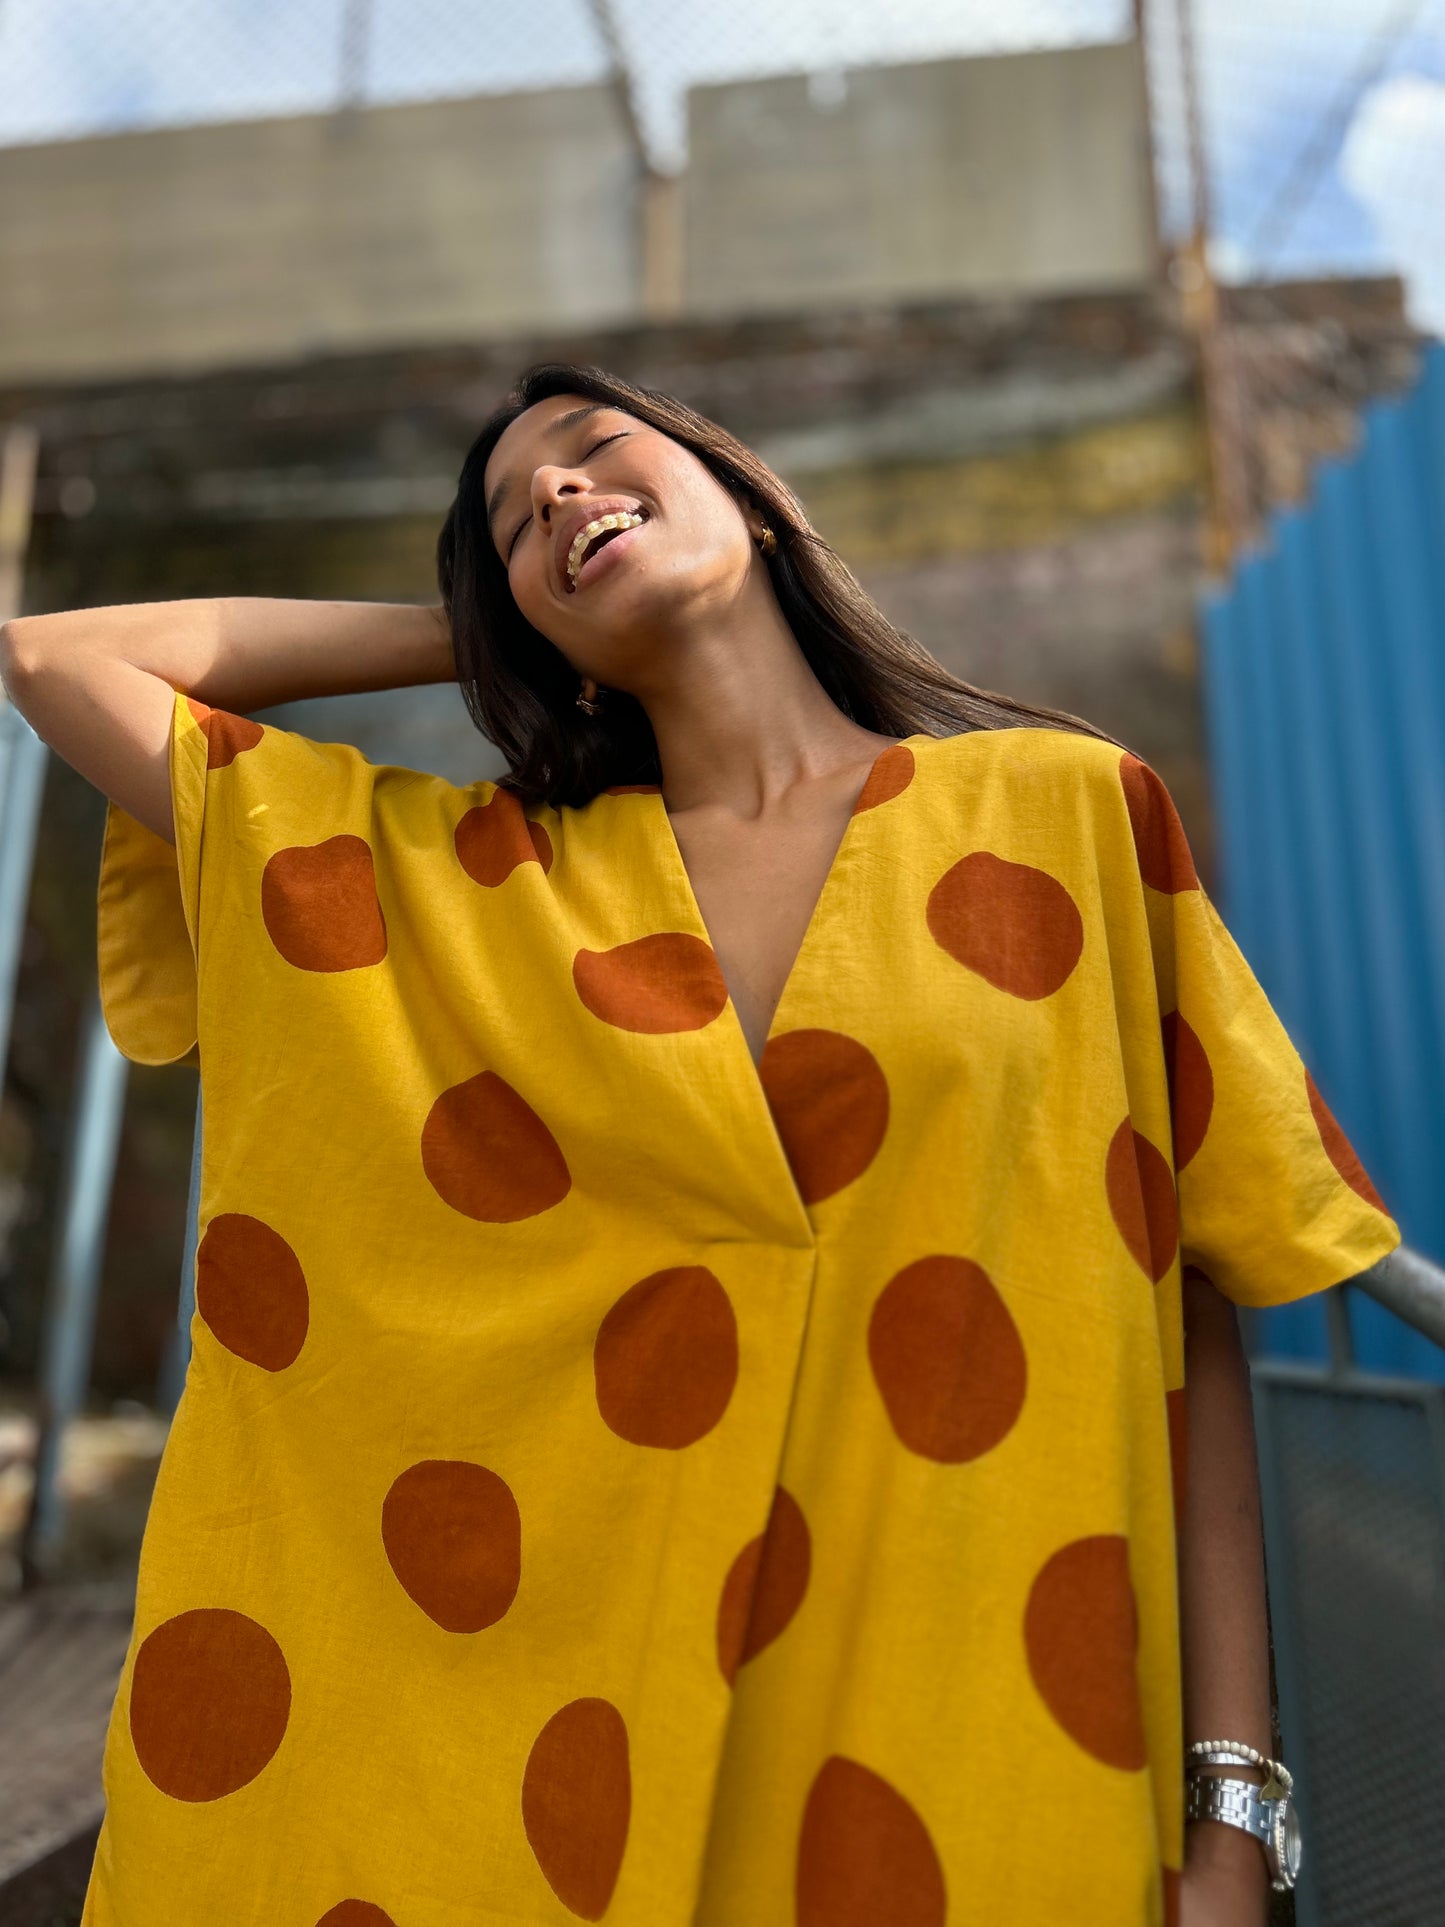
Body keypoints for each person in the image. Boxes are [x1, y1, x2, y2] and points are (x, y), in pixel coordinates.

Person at [1, 364, 1398, 1927]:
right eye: (517, 525)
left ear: (748, 495)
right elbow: (60, 657)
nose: (562, 497)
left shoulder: (1063, 814)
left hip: (967, 1727)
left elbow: (1180, 1305)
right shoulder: (476, 883)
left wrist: (1229, 1814)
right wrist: (487, 631)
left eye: (597, 454)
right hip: (548, 1758)